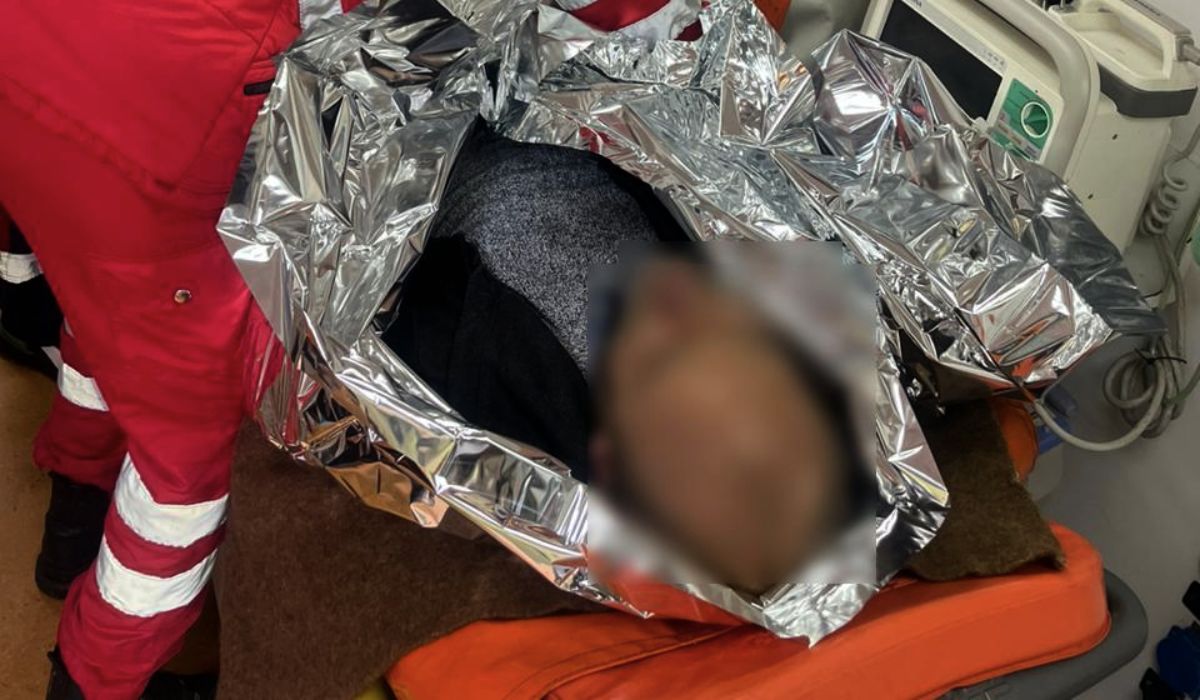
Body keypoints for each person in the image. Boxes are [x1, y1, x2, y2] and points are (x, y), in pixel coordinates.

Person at [0, 2, 723, 697]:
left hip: (49, 71)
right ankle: (94, 678)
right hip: (155, 120)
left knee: (108, 306)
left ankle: (72, 511)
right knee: (179, 477)